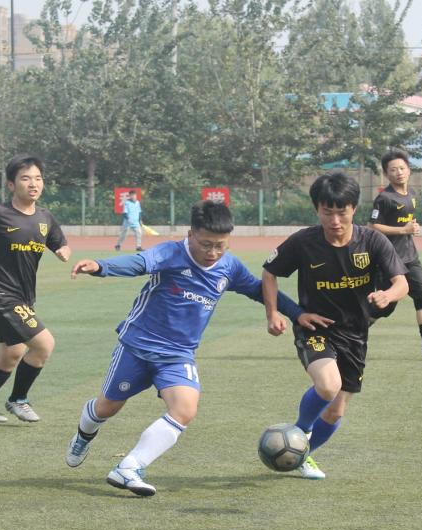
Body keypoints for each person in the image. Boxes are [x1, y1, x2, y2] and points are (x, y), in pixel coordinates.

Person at [67, 200, 331, 497]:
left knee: (185, 409)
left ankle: (129, 467)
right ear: (190, 234)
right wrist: (101, 267)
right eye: (206, 244)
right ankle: (83, 435)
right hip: (137, 346)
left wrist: (295, 313)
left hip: (178, 354)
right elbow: (139, 263)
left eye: (221, 245)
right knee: (107, 407)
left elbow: (259, 290)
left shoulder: (229, 267)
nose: (213, 252)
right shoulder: (171, 253)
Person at [262, 172, 409, 480]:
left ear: (353, 208)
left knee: (335, 410)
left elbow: (402, 283)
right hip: (316, 328)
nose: (335, 220)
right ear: (317, 209)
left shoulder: (372, 241)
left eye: (342, 212)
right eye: (327, 212)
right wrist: (273, 313)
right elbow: (270, 273)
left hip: (355, 333)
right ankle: (299, 432)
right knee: (329, 385)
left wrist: (387, 295)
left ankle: (302, 455)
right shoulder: (304, 242)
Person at [0, 154, 71, 423]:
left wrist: (64, 251)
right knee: (44, 345)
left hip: (24, 298)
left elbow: (60, 243)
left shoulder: (45, 217)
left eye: (38, 178)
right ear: (11, 185)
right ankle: (18, 400)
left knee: (11, 354)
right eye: (26, 178)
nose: (33, 184)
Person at [368, 148, 422, 358]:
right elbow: (372, 227)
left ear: (409, 170)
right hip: (388, 260)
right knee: (385, 307)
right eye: (393, 170)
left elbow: (405, 221)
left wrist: (412, 227)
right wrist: (403, 230)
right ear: (386, 174)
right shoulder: (384, 198)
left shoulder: (412, 194)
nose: (398, 172)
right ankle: (349, 333)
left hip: (410, 257)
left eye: (402, 168)